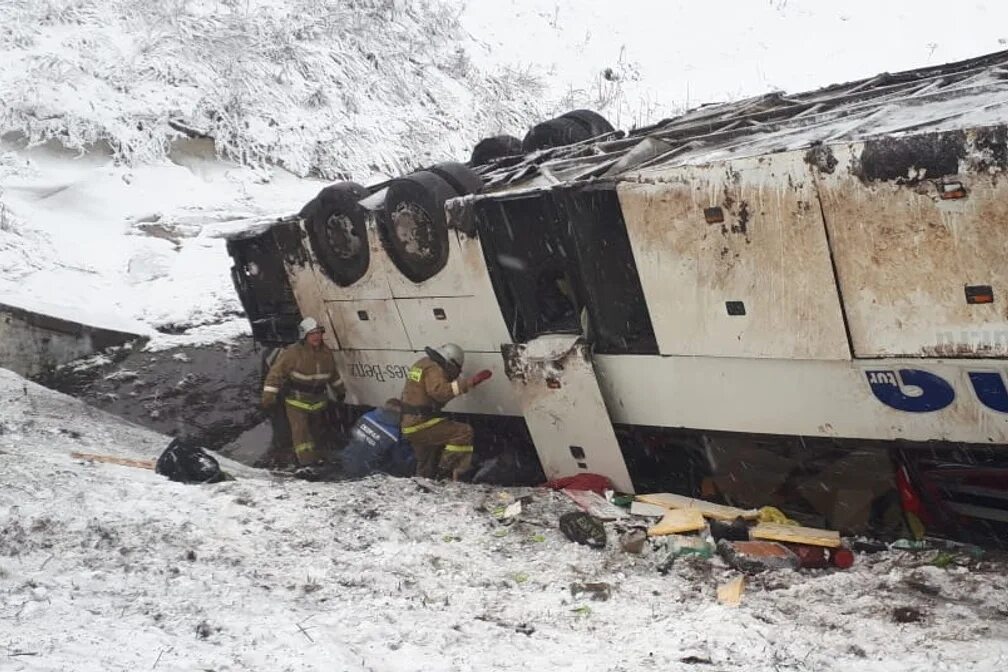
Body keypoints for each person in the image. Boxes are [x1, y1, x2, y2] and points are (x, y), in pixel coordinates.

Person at [260, 317, 344, 473]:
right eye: (312, 334)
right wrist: (268, 396)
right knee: (301, 433)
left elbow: (333, 374)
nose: (316, 337)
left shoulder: (326, 353)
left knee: (317, 433)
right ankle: (305, 463)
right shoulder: (292, 353)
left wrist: (340, 391)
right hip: (297, 401)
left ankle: (317, 459)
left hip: (318, 400)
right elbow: (275, 374)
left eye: (318, 333)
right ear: (304, 336)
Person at [399, 343, 492, 481]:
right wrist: (468, 383)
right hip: (420, 422)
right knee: (463, 432)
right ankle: (446, 473)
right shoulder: (434, 368)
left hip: (409, 422)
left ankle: (424, 486)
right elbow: (439, 392)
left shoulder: (422, 363)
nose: (455, 374)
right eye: (456, 369)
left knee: (427, 461)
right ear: (450, 362)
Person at [340, 399, 415, 479]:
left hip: (346, 459)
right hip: (366, 472)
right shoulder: (394, 435)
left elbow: (353, 434)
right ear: (401, 415)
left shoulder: (367, 416)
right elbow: (399, 461)